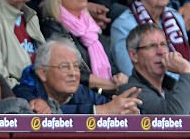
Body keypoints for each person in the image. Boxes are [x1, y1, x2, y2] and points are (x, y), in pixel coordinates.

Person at [40, 0, 126, 95]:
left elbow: (112, 67)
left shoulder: (93, 29)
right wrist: (111, 84)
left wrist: (119, 77)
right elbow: (69, 73)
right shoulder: (52, 28)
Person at [124, 24, 190, 115]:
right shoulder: (131, 91)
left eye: (163, 44)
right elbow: (175, 118)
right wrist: (186, 71)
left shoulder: (169, 86)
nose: (161, 52)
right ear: (134, 55)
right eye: (152, 46)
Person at [14, 38, 143, 114]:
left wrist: (125, 108)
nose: (73, 73)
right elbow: (55, 114)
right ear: (42, 73)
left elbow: (110, 107)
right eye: (64, 67)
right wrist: (100, 111)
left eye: (76, 67)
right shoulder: (26, 92)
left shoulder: (81, 92)